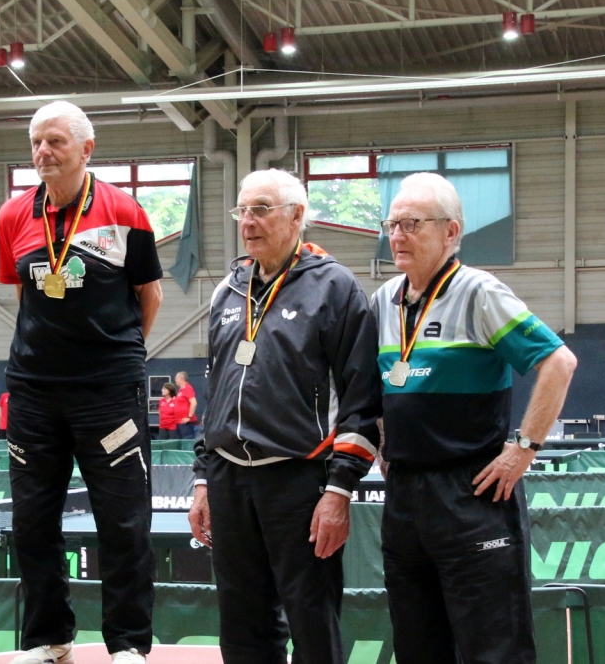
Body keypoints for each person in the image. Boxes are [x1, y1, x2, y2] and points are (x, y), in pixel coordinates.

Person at [372, 172, 577, 663]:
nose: (397, 235)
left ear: (451, 231)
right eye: (392, 224)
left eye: (411, 223)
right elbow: (372, 386)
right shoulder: (382, 300)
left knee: (494, 649)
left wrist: (523, 448)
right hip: (404, 498)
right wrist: (383, 441)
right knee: (417, 648)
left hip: (473, 494)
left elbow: (559, 362)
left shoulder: (480, 291)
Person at [188, 168, 382, 664]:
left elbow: (362, 399)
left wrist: (339, 489)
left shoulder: (335, 287)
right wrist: (203, 478)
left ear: (296, 216)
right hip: (229, 478)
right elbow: (216, 391)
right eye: (242, 210)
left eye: (261, 210)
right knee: (241, 623)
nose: (247, 222)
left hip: (300, 480)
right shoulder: (227, 290)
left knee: (311, 618)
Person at [0, 100, 163, 664]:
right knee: (32, 522)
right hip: (33, 395)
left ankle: (129, 645)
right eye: (36, 142)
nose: (43, 151)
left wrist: (117, 357)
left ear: (86, 149)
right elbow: (25, 296)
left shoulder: (125, 211)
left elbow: (149, 295)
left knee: (123, 522)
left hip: (108, 394)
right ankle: (49, 639)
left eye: (55, 141)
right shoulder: (13, 216)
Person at [173, 371, 198, 439]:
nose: (175, 380)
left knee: (187, 441)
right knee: (180, 441)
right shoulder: (181, 390)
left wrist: (189, 417)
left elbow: (194, 403)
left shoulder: (188, 388)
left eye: (176, 378)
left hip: (186, 423)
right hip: (179, 422)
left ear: (181, 379)